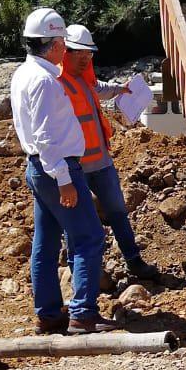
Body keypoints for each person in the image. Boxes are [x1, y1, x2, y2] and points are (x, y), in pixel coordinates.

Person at [10, 7, 115, 335]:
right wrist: (66, 180)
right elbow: (46, 137)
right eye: (62, 42)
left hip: (40, 169)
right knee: (89, 237)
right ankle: (83, 314)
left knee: (46, 241)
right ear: (55, 44)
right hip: (56, 169)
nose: (65, 48)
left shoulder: (24, 73)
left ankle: (49, 314)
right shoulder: (45, 82)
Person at [58, 24, 158, 281]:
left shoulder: (83, 76)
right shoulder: (55, 83)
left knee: (117, 211)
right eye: (80, 53)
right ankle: (79, 277)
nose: (85, 58)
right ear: (65, 51)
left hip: (100, 162)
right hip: (75, 167)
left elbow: (97, 88)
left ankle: (134, 262)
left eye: (89, 54)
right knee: (76, 224)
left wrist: (121, 89)